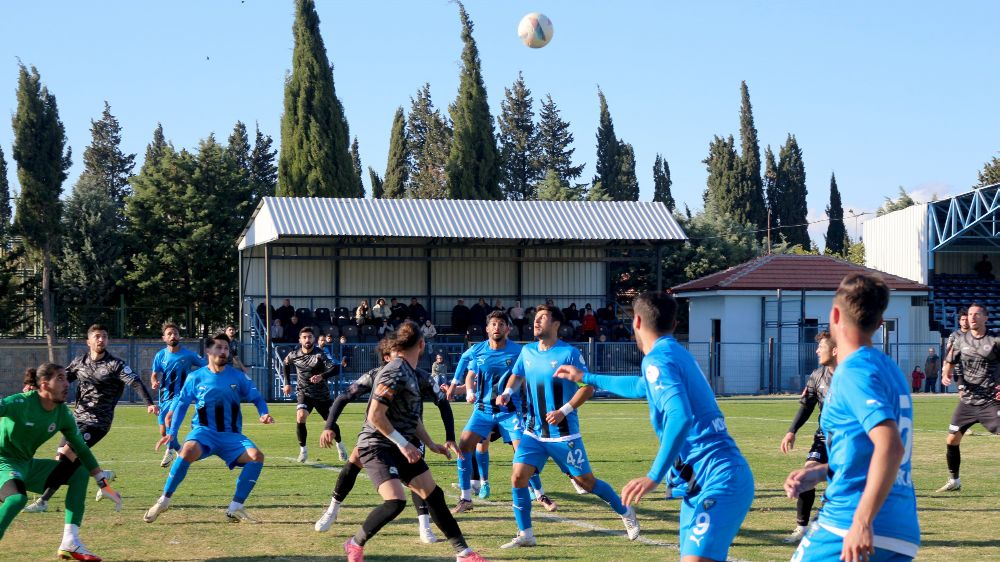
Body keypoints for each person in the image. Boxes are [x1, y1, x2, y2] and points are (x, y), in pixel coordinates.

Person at [555, 293, 753, 560]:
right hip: (701, 480)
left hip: (718, 477)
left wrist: (653, 476)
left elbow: (679, 416)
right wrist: (586, 377)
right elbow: (640, 386)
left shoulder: (658, 359)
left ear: (636, 321)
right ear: (674, 324)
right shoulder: (674, 354)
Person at [785, 273, 919, 562]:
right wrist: (819, 472)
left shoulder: (852, 371)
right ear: (879, 322)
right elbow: (865, 452)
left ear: (835, 315)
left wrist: (862, 520)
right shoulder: (891, 370)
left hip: (849, 521)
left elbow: (890, 445)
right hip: (901, 527)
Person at [342, 321, 487, 562]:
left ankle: (464, 554)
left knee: (434, 495)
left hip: (401, 444)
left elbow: (411, 418)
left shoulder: (410, 373)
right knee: (395, 501)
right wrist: (402, 443)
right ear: (421, 344)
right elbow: (375, 415)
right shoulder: (395, 370)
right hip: (377, 445)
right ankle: (354, 543)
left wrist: (430, 444)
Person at [497, 304, 639, 549]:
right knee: (518, 478)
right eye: (535, 318)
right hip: (533, 432)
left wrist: (564, 411)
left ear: (555, 325)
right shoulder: (527, 351)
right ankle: (526, 534)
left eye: (542, 318)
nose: (536, 322)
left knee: (587, 482)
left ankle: (625, 510)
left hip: (564, 435)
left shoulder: (569, 354)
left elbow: (588, 387)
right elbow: (517, 374)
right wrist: (509, 391)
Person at [315, 340, 459, 545]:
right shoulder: (375, 376)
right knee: (355, 460)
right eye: (396, 353)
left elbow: (443, 403)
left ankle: (424, 526)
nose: (402, 358)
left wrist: (449, 437)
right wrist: (329, 425)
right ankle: (332, 510)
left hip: (410, 435)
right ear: (386, 358)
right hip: (376, 437)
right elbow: (343, 397)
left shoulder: (421, 377)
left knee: (419, 478)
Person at [24, 324, 157, 513]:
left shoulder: (115, 365)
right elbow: (61, 379)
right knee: (61, 460)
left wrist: (149, 403)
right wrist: (37, 389)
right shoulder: (80, 362)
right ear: (89, 341)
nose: (101, 339)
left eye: (104, 336)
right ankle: (101, 476)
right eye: (97, 336)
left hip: (98, 422)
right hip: (76, 420)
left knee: (67, 456)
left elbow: (135, 382)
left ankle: (43, 501)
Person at [143, 332, 274, 524]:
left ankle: (236, 507)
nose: (223, 352)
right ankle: (164, 501)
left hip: (231, 435)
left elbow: (257, 398)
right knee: (186, 451)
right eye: (219, 347)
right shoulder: (195, 377)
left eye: (226, 348)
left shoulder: (238, 376)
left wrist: (263, 413)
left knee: (257, 457)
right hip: (204, 432)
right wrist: (172, 434)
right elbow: (181, 405)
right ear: (208, 351)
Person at [0, 363, 122, 562]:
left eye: (66, 378)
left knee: (79, 471)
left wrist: (103, 482)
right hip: (2, 463)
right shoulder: (20, 403)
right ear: (44, 384)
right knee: (17, 499)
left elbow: (81, 449)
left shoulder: (62, 414)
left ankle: (70, 542)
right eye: (60, 378)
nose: (67, 384)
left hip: (26, 465)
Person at [451, 312, 547, 513]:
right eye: (493, 324)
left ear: (508, 329)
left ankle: (539, 494)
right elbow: (466, 369)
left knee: (523, 452)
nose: (496, 327)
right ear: (487, 329)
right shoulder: (478, 350)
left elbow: (528, 374)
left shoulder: (519, 352)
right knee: (464, 446)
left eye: (501, 324)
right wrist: (461, 388)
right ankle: (466, 497)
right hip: (483, 410)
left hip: (510, 412)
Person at [779, 331, 837, 543]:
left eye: (821, 346)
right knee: (807, 474)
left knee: (842, 480)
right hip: (823, 438)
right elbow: (807, 407)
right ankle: (802, 529)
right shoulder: (816, 376)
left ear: (835, 350)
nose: (817, 350)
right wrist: (791, 431)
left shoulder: (851, 377)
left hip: (847, 440)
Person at [937, 302, 1000, 492]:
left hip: (990, 401)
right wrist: (945, 374)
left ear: (986, 318)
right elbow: (950, 360)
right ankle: (954, 481)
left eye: (977, 314)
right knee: (951, 440)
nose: (972, 317)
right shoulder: (959, 340)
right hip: (967, 402)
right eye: (970, 314)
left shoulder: (995, 341)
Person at [150, 323, 207, 469]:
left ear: (179, 336)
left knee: (170, 418)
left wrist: (197, 380)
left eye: (175, 333)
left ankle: (169, 451)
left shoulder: (188, 354)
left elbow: (206, 366)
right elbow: (154, 374)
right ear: (164, 338)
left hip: (181, 395)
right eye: (169, 333)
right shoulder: (160, 355)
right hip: (164, 396)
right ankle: (179, 450)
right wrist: (154, 381)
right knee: (163, 430)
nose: (173, 336)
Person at [282, 327, 343, 463]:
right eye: (304, 337)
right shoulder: (294, 354)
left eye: (309, 337)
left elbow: (336, 368)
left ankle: (340, 445)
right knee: (301, 416)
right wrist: (287, 383)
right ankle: (303, 451)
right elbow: (285, 364)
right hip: (304, 392)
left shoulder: (320, 354)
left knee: (330, 422)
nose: (307, 340)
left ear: (313, 339)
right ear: (300, 340)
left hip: (322, 395)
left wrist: (322, 376)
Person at [943, 308, 969, 393]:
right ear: (959, 321)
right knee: (962, 394)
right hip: (959, 370)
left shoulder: (975, 335)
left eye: (967, 319)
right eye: (963, 320)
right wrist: (945, 368)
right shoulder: (954, 335)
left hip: (974, 371)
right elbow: (948, 353)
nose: (965, 322)